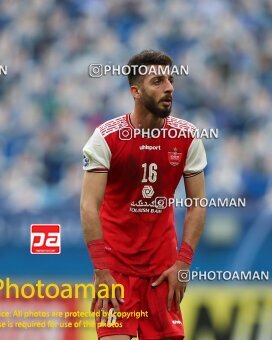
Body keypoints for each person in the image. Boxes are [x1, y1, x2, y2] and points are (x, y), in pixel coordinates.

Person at [80, 50, 207, 340]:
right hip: (115, 274)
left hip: (163, 274)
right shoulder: (106, 137)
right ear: (135, 91)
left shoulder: (187, 137)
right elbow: (89, 207)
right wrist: (101, 270)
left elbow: (197, 204)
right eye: (158, 81)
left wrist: (183, 264)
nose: (169, 88)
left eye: (171, 81)